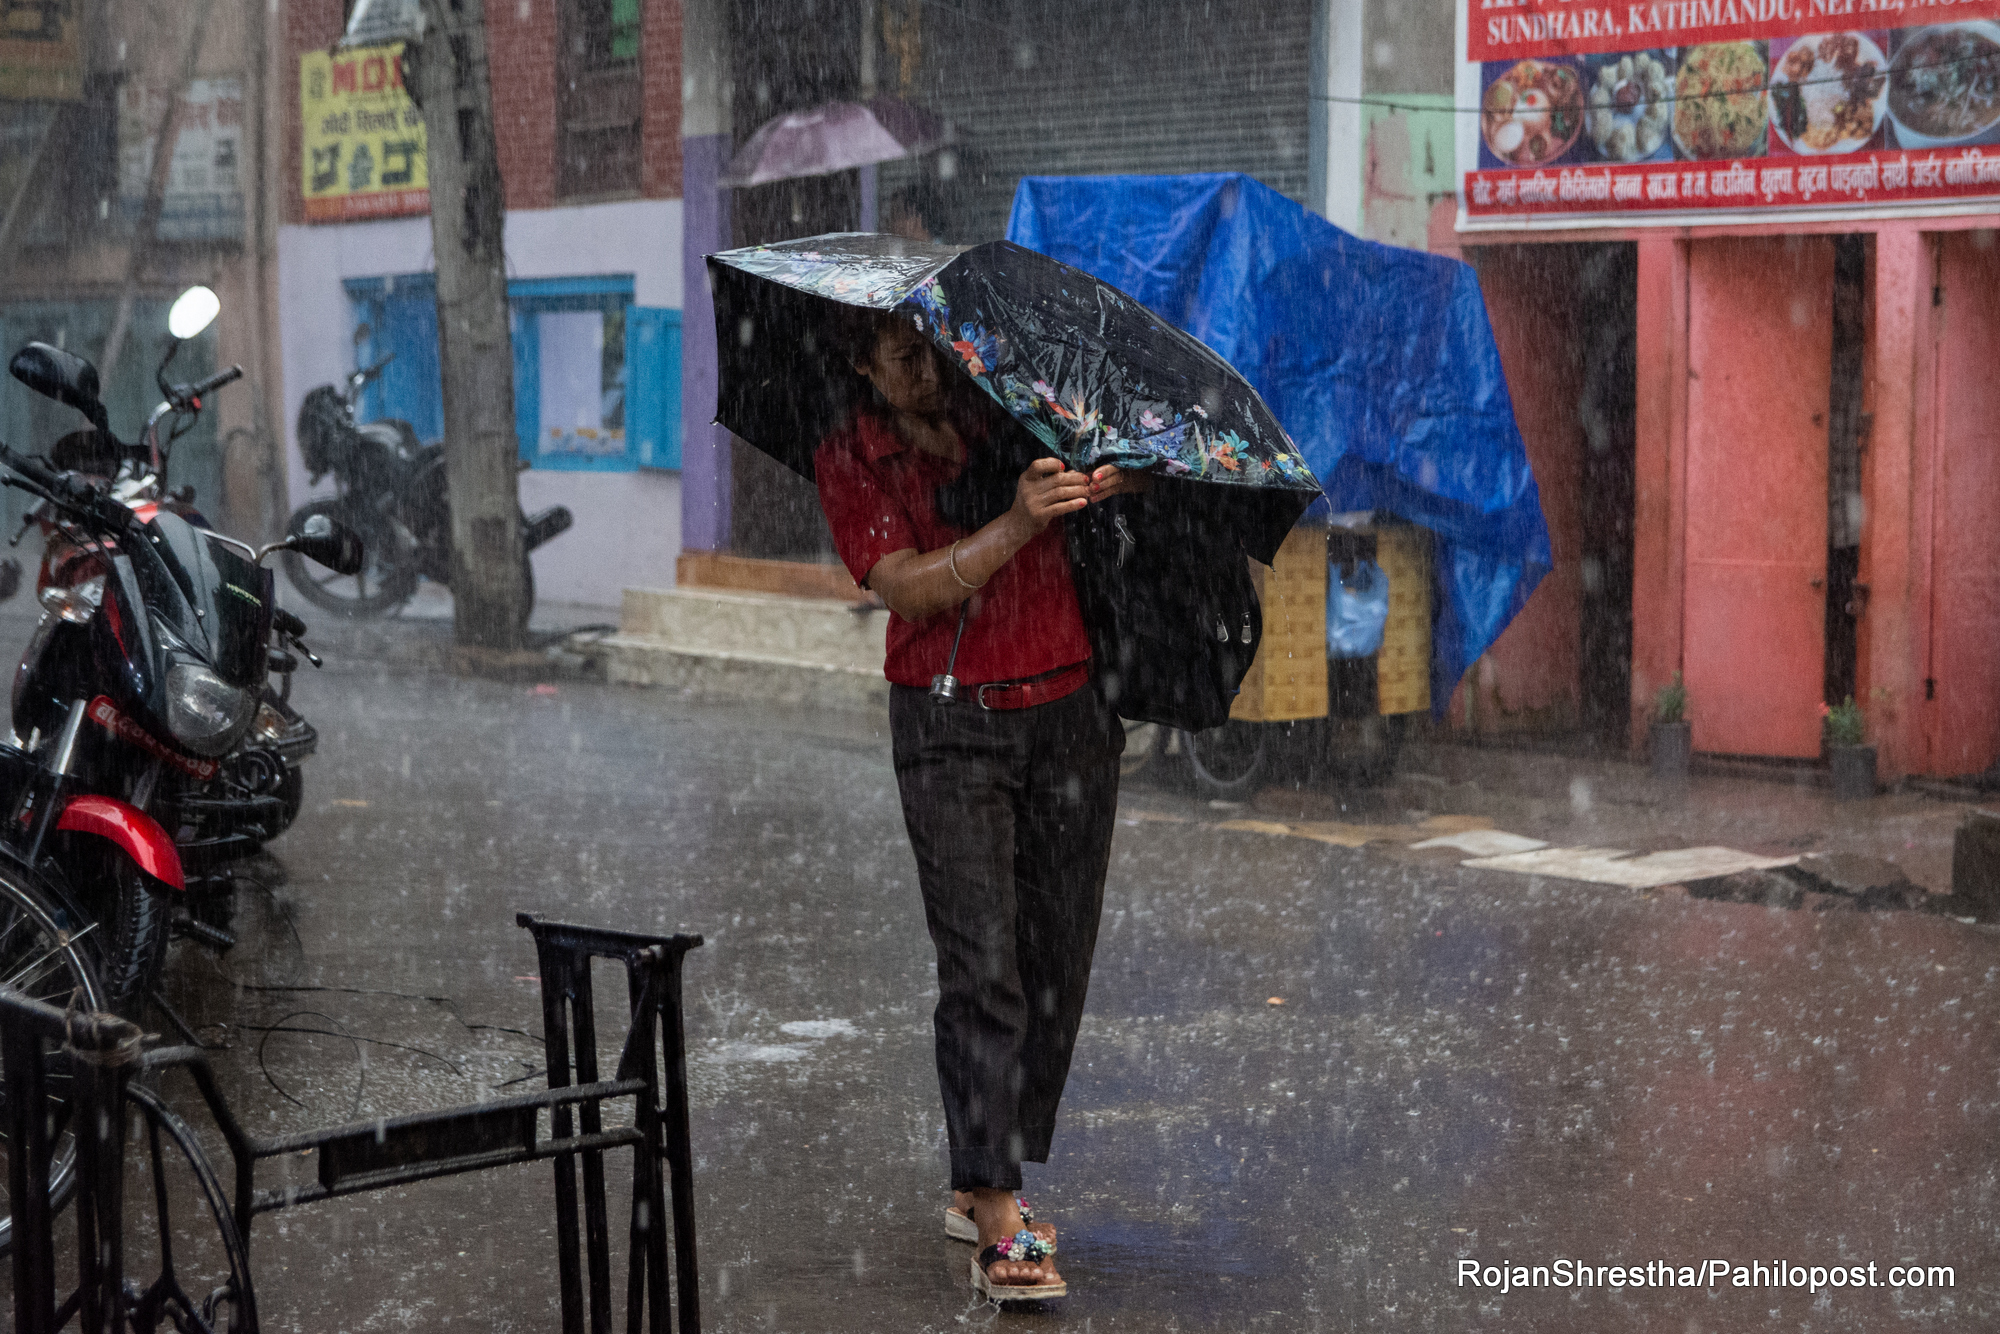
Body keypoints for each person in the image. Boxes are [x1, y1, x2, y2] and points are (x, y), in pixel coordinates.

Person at [813, 309, 1146, 1300]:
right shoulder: (852, 454)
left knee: (1052, 957)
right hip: (951, 724)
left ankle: (980, 1164)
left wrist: (1104, 477)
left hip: (1072, 712)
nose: (923, 366)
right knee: (981, 965)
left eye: (930, 343)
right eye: (896, 351)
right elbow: (908, 590)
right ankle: (998, 1209)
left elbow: (1106, 482)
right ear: (858, 361)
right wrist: (1012, 521)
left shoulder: (1014, 411)